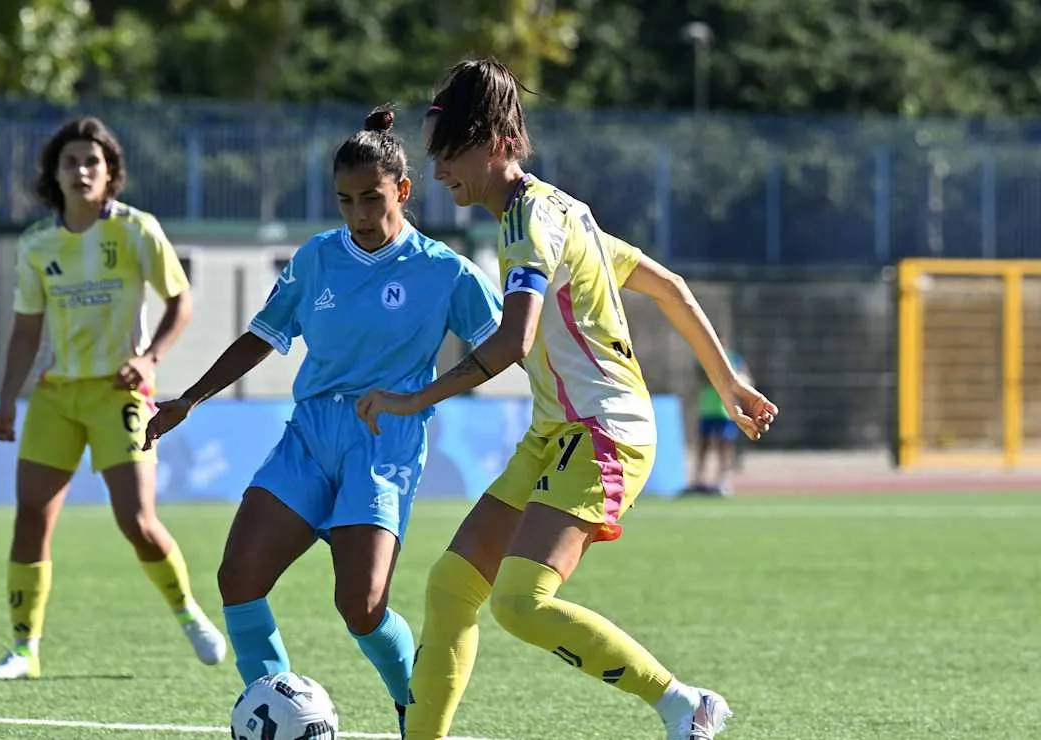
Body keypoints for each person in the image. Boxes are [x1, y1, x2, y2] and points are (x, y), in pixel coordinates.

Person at [356, 59, 778, 740]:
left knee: (520, 603)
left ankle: (684, 705)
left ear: (496, 142)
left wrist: (414, 399)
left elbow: (513, 341)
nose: (438, 173)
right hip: (560, 430)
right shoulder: (559, 207)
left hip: (605, 430)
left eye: (450, 155)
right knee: (452, 586)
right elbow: (670, 285)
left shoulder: (531, 221)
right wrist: (725, 382)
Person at [143, 107, 503, 736]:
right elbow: (262, 336)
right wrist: (189, 399)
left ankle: (414, 711)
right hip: (309, 436)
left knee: (361, 606)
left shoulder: (444, 270)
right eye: (345, 201)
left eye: (372, 198)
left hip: (383, 441)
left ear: (404, 191)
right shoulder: (316, 260)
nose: (359, 214)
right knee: (239, 579)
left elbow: (503, 346)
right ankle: (276, 714)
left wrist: (423, 398)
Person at [0, 115, 227, 680]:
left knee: (137, 521)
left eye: (93, 161)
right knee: (30, 521)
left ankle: (188, 612)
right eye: (71, 161)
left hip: (121, 393)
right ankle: (24, 649)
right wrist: (5, 399)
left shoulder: (137, 230)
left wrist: (148, 359)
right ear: (55, 174)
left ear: (110, 172)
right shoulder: (38, 245)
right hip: (57, 396)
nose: (82, 170)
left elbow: (180, 302)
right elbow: (25, 329)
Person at [688, 340, 751, 496]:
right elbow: (703, 377)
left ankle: (723, 482)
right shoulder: (703, 357)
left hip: (726, 411)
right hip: (707, 410)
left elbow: (745, 378)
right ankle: (698, 480)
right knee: (703, 446)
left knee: (724, 447)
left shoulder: (733, 358)